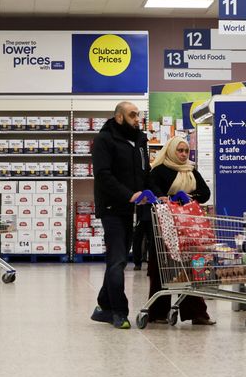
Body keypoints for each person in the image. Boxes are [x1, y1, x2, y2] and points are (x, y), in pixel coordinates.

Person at [90, 101, 150, 329]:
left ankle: (103, 306)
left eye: (138, 115)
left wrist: (153, 193)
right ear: (119, 117)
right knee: (117, 260)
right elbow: (103, 175)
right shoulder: (105, 140)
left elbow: (145, 171)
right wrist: (129, 195)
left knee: (120, 258)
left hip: (129, 208)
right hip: (111, 208)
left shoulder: (139, 139)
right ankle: (118, 312)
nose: (137, 119)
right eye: (132, 115)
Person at [147, 135, 215, 326]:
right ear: (171, 150)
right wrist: (175, 199)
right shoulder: (159, 171)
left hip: (189, 228)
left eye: (186, 151)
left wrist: (187, 197)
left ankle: (197, 313)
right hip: (165, 225)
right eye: (180, 150)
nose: (184, 154)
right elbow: (154, 192)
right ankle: (158, 312)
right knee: (163, 268)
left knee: (192, 268)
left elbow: (205, 193)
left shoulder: (191, 170)